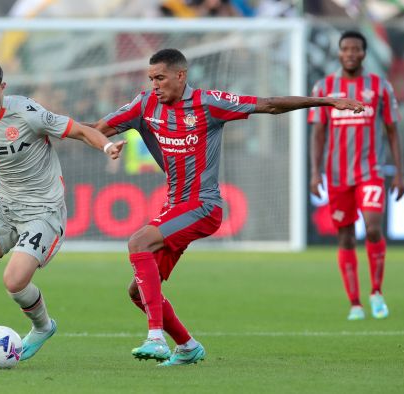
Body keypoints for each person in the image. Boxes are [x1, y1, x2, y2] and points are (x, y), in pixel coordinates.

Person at [90, 48, 363, 367]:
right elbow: (95, 129)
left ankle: (155, 337)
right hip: (174, 207)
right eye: (151, 79)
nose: (155, 85)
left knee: (138, 242)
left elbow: (270, 105)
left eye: (160, 78)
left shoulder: (209, 103)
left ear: (181, 75)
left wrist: (328, 101)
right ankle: (188, 346)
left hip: (204, 205)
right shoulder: (144, 104)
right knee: (138, 292)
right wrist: (49, 129)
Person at [0, 59, 125, 367]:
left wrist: (106, 147)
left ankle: (43, 326)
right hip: (4, 205)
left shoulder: (28, 113)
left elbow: (79, 131)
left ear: (2, 88)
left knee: (15, 280)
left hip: (43, 210)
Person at [308, 31, 404, 321]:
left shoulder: (379, 86)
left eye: (356, 49)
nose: (350, 53)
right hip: (337, 176)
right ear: (339, 53)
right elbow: (318, 133)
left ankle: (376, 292)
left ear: (364, 53)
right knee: (346, 237)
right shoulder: (325, 87)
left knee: (373, 228)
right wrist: (315, 173)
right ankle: (355, 303)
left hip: (371, 171)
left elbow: (392, 131)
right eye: (345, 49)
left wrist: (399, 173)